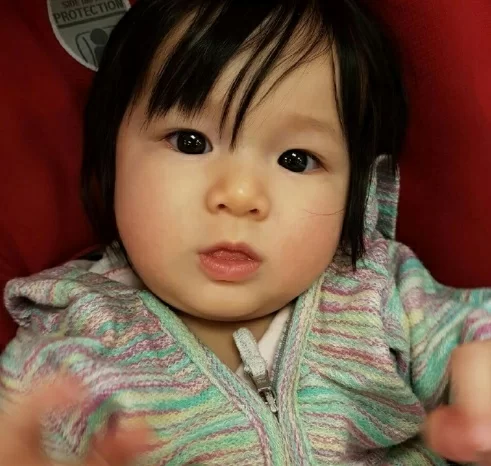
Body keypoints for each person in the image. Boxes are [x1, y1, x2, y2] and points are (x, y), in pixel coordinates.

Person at [1, 0, 491, 464]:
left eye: (296, 160)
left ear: (360, 192)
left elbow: (474, 330)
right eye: (190, 142)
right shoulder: (65, 346)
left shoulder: (381, 293)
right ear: (112, 156)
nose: (238, 195)